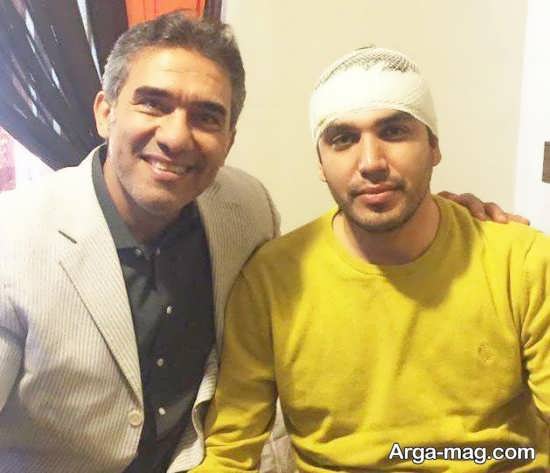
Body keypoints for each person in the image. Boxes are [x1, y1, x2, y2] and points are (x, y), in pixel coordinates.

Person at [0, 11, 524, 473]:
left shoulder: (244, 211)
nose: (177, 137)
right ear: (104, 112)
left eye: (207, 116)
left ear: (229, 138)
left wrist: (462, 225)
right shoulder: (15, 243)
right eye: (153, 104)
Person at [190, 47, 550, 472]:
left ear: (434, 146)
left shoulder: (522, 263)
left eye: (394, 132)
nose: (371, 162)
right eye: (343, 139)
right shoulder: (271, 282)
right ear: (320, 163)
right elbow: (231, 453)